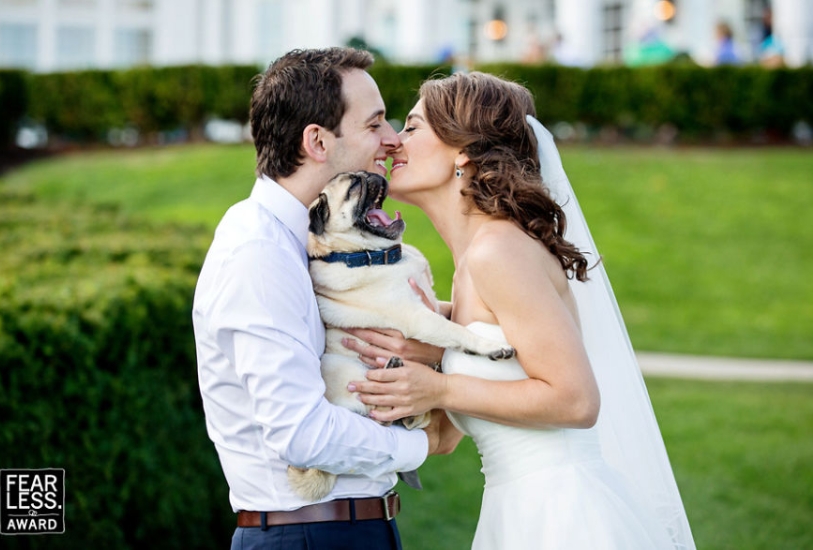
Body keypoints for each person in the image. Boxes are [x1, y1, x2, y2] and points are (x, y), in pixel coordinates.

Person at [345, 72, 696, 549]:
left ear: (463, 153)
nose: (393, 142)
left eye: (412, 127)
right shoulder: (472, 265)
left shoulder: (499, 252)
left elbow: (576, 401)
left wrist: (440, 385)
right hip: (516, 511)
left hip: (563, 518)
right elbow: (448, 434)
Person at [192, 47, 440, 550]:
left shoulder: (305, 241)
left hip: (336, 530)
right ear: (318, 142)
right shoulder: (259, 252)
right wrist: (422, 443)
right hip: (309, 534)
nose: (393, 139)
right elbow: (302, 433)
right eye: (374, 124)